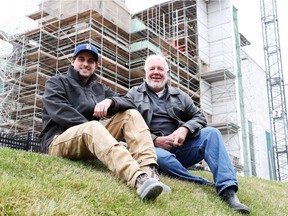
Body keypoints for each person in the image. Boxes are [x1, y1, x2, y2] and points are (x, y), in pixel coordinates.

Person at [40, 43, 170, 201]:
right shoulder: (56, 82)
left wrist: (110, 102)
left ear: (96, 65)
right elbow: (60, 112)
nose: (86, 64)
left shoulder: (99, 89)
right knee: (93, 127)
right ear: (72, 61)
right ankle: (138, 179)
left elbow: (130, 102)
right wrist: (99, 133)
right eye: (81, 59)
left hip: (92, 140)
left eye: (90, 61)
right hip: (58, 141)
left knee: (131, 114)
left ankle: (150, 173)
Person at [126, 54, 250, 214]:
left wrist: (185, 129)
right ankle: (200, 182)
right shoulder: (133, 95)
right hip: (151, 149)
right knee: (160, 156)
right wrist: (155, 140)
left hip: (180, 148)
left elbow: (200, 117)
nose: (156, 72)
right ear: (145, 72)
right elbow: (127, 126)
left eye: (160, 69)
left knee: (212, 133)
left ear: (167, 73)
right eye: (152, 69)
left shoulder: (180, 96)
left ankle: (228, 191)